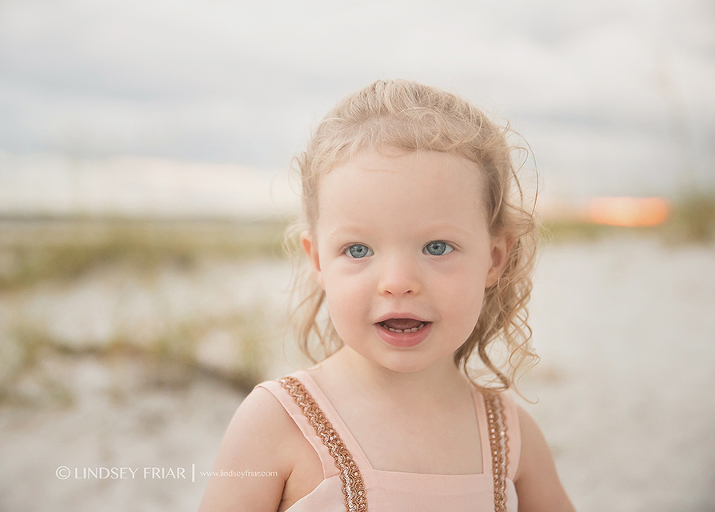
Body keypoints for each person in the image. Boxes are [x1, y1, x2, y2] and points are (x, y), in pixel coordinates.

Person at [198, 79, 575, 511]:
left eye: (437, 247)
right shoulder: (277, 423)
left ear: (493, 259)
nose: (397, 282)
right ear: (318, 260)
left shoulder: (509, 437)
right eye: (358, 250)